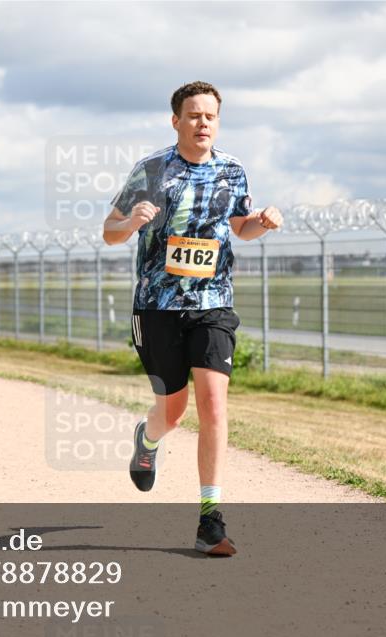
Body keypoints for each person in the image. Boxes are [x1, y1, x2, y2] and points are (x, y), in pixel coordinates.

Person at [103, 81, 283, 556]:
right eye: (195, 115)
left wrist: (260, 223)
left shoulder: (233, 171)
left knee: (214, 404)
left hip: (213, 303)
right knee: (173, 411)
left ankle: (210, 520)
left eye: (211, 116)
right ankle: (148, 439)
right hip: (157, 306)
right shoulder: (152, 169)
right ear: (176, 121)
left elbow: (239, 228)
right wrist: (132, 221)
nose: (203, 123)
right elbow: (109, 233)